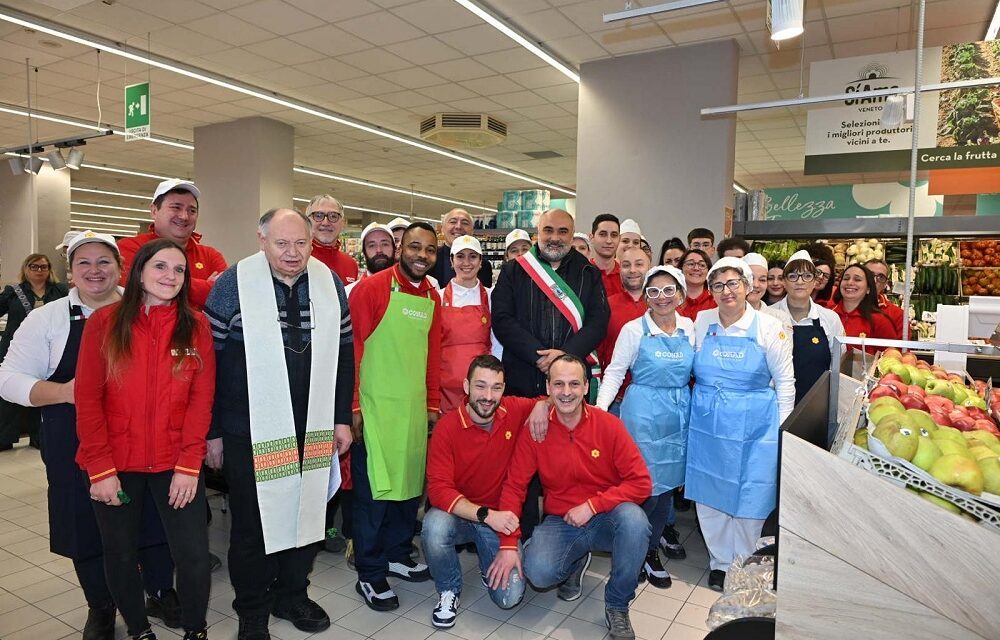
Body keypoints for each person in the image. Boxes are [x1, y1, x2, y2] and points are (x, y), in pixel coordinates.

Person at [0, 232, 180, 640]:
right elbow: (7, 379)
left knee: (153, 519)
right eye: (85, 263)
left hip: (140, 438)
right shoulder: (47, 319)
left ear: (121, 268)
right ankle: (100, 606)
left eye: (104, 262)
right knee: (85, 525)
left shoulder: (145, 309)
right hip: (72, 436)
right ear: (70, 271)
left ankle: (159, 590)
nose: (95, 271)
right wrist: (66, 392)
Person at [204, 208, 354, 640]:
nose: (292, 253)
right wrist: (212, 430)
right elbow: (209, 362)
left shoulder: (329, 283)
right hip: (248, 428)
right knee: (253, 522)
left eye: (300, 243)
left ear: (313, 242)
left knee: (307, 515)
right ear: (261, 240)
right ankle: (251, 608)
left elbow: (345, 355)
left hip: (314, 424)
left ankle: (291, 593)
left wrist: (341, 418)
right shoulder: (234, 283)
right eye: (282, 243)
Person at [75, 238, 215, 640]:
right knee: (120, 553)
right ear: (138, 271)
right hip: (115, 464)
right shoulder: (104, 324)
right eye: (160, 267)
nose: (171, 276)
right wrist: (100, 469)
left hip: (176, 462)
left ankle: (195, 630)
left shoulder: (196, 325)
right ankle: (138, 630)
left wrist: (190, 465)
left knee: (191, 555)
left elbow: (200, 403)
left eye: (179, 270)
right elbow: (88, 400)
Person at [493, 355, 652, 640]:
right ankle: (575, 561)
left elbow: (641, 483)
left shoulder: (609, 426)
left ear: (586, 386)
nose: (566, 392)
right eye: (559, 384)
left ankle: (617, 605)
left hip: (606, 516)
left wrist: (593, 505)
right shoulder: (536, 429)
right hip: (563, 520)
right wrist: (507, 543)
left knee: (635, 521)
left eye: (574, 384)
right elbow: (514, 486)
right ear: (548, 387)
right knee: (538, 572)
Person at [492, 209, 610, 541]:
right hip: (523, 379)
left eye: (562, 231)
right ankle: (523, 536)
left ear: (572, 236)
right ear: (537, 233)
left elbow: (598, 322)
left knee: (569, 464)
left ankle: (567, 538)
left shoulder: (589, 272)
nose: (554, 237)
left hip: (570, 388)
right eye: (548, 230)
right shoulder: (515, 270)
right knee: (521, 467)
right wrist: (538, 356)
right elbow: (502, 319)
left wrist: (564, 358)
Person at [349, 222, 442, 611]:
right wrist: (352, 407)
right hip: (375, 408)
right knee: (374, 495)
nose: (422, 255)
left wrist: (433, 402)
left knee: (408, 490)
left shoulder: (432, 296)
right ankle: (370, 572)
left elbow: (432, 353)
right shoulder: (372, 289)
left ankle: (398, 553)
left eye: (430, 250)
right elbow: (351, 349)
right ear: (400, 247)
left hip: (413, 409)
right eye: (415, 247)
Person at [687, 257, 794, 591]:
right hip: (708, 423)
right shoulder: (702, 321)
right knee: (710, 494)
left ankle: (744, 561)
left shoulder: (768, 326)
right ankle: (719, 561)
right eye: (718, 285)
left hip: (755, 426)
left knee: (751, 495)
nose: (726, 291)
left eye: (733, 283)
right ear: (710, 291)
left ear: (747, 286)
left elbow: (786, 383)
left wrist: (782, 431)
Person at [422, 355, 549, 628]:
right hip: (466, 515)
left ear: (504, 389)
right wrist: (485, 514)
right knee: (433, 525)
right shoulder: (447, 428)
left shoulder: (513, 410)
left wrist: (542, 405)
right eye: (481, 386)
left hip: (498, 522)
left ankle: (487, 560)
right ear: (466, 386)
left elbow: (554, 398)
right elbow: (439, 491)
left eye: (496, 387)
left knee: (509, 597)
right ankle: (448, 589)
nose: (488, 396)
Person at [596, 265, 695, 591]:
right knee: (642, 489)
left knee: (665, 490)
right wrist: (599, 414)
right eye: (653, 291)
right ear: (646, 298)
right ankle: (632, 552)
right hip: (643, 414)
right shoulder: (633, 330)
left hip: (678, 415)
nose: (662, 297)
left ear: (680, 293)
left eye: (669, 290)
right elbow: (614, 372)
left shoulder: (689, 328)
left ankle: (650, 553)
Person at [117, 179, 227, 309]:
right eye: (176, 208)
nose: (184, 216)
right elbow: (133, 291)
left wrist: (160, 284)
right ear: (154, 211)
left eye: (192, 210)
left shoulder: (210, 255)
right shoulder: (129, 247)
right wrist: (205, 287)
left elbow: (225, 297)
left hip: (199, 329)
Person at [0, 253, 68, 450]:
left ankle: (38, 436)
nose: (39, 271)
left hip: (50, 349)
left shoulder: (60, 291)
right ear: (26, 269)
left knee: (42, 392)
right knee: (11, 394)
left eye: (43, 267)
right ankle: (5, 437)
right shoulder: (13, 292)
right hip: (16, 348)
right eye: (34, 267)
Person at [769, 251, 845, 403]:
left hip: (817, 405)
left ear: (815, 281)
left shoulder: (830, 319)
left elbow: (839, 364)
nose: (800, 281)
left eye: (807, 276)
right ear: (784, 281)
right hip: (774, 402)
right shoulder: (769, 316)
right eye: (793, 276)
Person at [439, 235, 492, 414]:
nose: (466, 262)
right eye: (460, 256)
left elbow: (498, 344)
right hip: (445, 390)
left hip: (482, 387)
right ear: (451, 261)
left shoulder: (492, 297)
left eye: (473, 256)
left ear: (480, 261)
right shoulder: (437, 298)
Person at [596, 247, 650, 414]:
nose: (632, 270)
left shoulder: (663, 306)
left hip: (653, 401)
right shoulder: (605, 306)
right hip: (615, 400)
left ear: (650, 268)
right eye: (626, 265)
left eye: (639, 264)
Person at [830, 264, 898, 352]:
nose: (850, 282)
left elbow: (891, 357)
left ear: (868, 289)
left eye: (857, 279)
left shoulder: (880, 321)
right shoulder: (828, 315)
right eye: (846, 278)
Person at [305, 194, 359, 285]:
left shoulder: (350, 264)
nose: (325, 222)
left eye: (333, 216)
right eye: (318, 216)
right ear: (307, 221)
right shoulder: (298, 260)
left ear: (343, 223)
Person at [430, 208, 491, 287]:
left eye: (465, 223)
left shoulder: (485, 266)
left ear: (472, 231)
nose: (458, 226)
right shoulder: (430, 260)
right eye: (453, 222)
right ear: (442, 228)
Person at [743, 253, 793, 328]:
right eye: (751, 279)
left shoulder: (779, 317)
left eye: (762, 280)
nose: (756, 285)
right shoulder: (724, 314)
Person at [345, 222, 396, 296]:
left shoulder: (409, 290)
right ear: (364, 252)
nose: (379, 250)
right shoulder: (349, 293)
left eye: (385, 244)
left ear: (394, 249)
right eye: (372, 245)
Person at [864, 259, 905, 337]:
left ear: (885, 284)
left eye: (881, 277)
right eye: (869, 275)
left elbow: (902, 348)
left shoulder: (897, 315)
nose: (874, 280)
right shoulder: (845, 306)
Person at [588, 213, 623, 298]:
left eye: (614, 235)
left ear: (619, 238)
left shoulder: (626, 275)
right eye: (603, 234)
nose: (609, 240)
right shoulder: (583, 273)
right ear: (591, 238)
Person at [676, 249, 715, 321]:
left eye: (702, 265)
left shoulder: (716, 299)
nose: (696, 268)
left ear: (708, 271)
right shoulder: (670, 298)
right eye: (691, 264)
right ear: (681, 268)